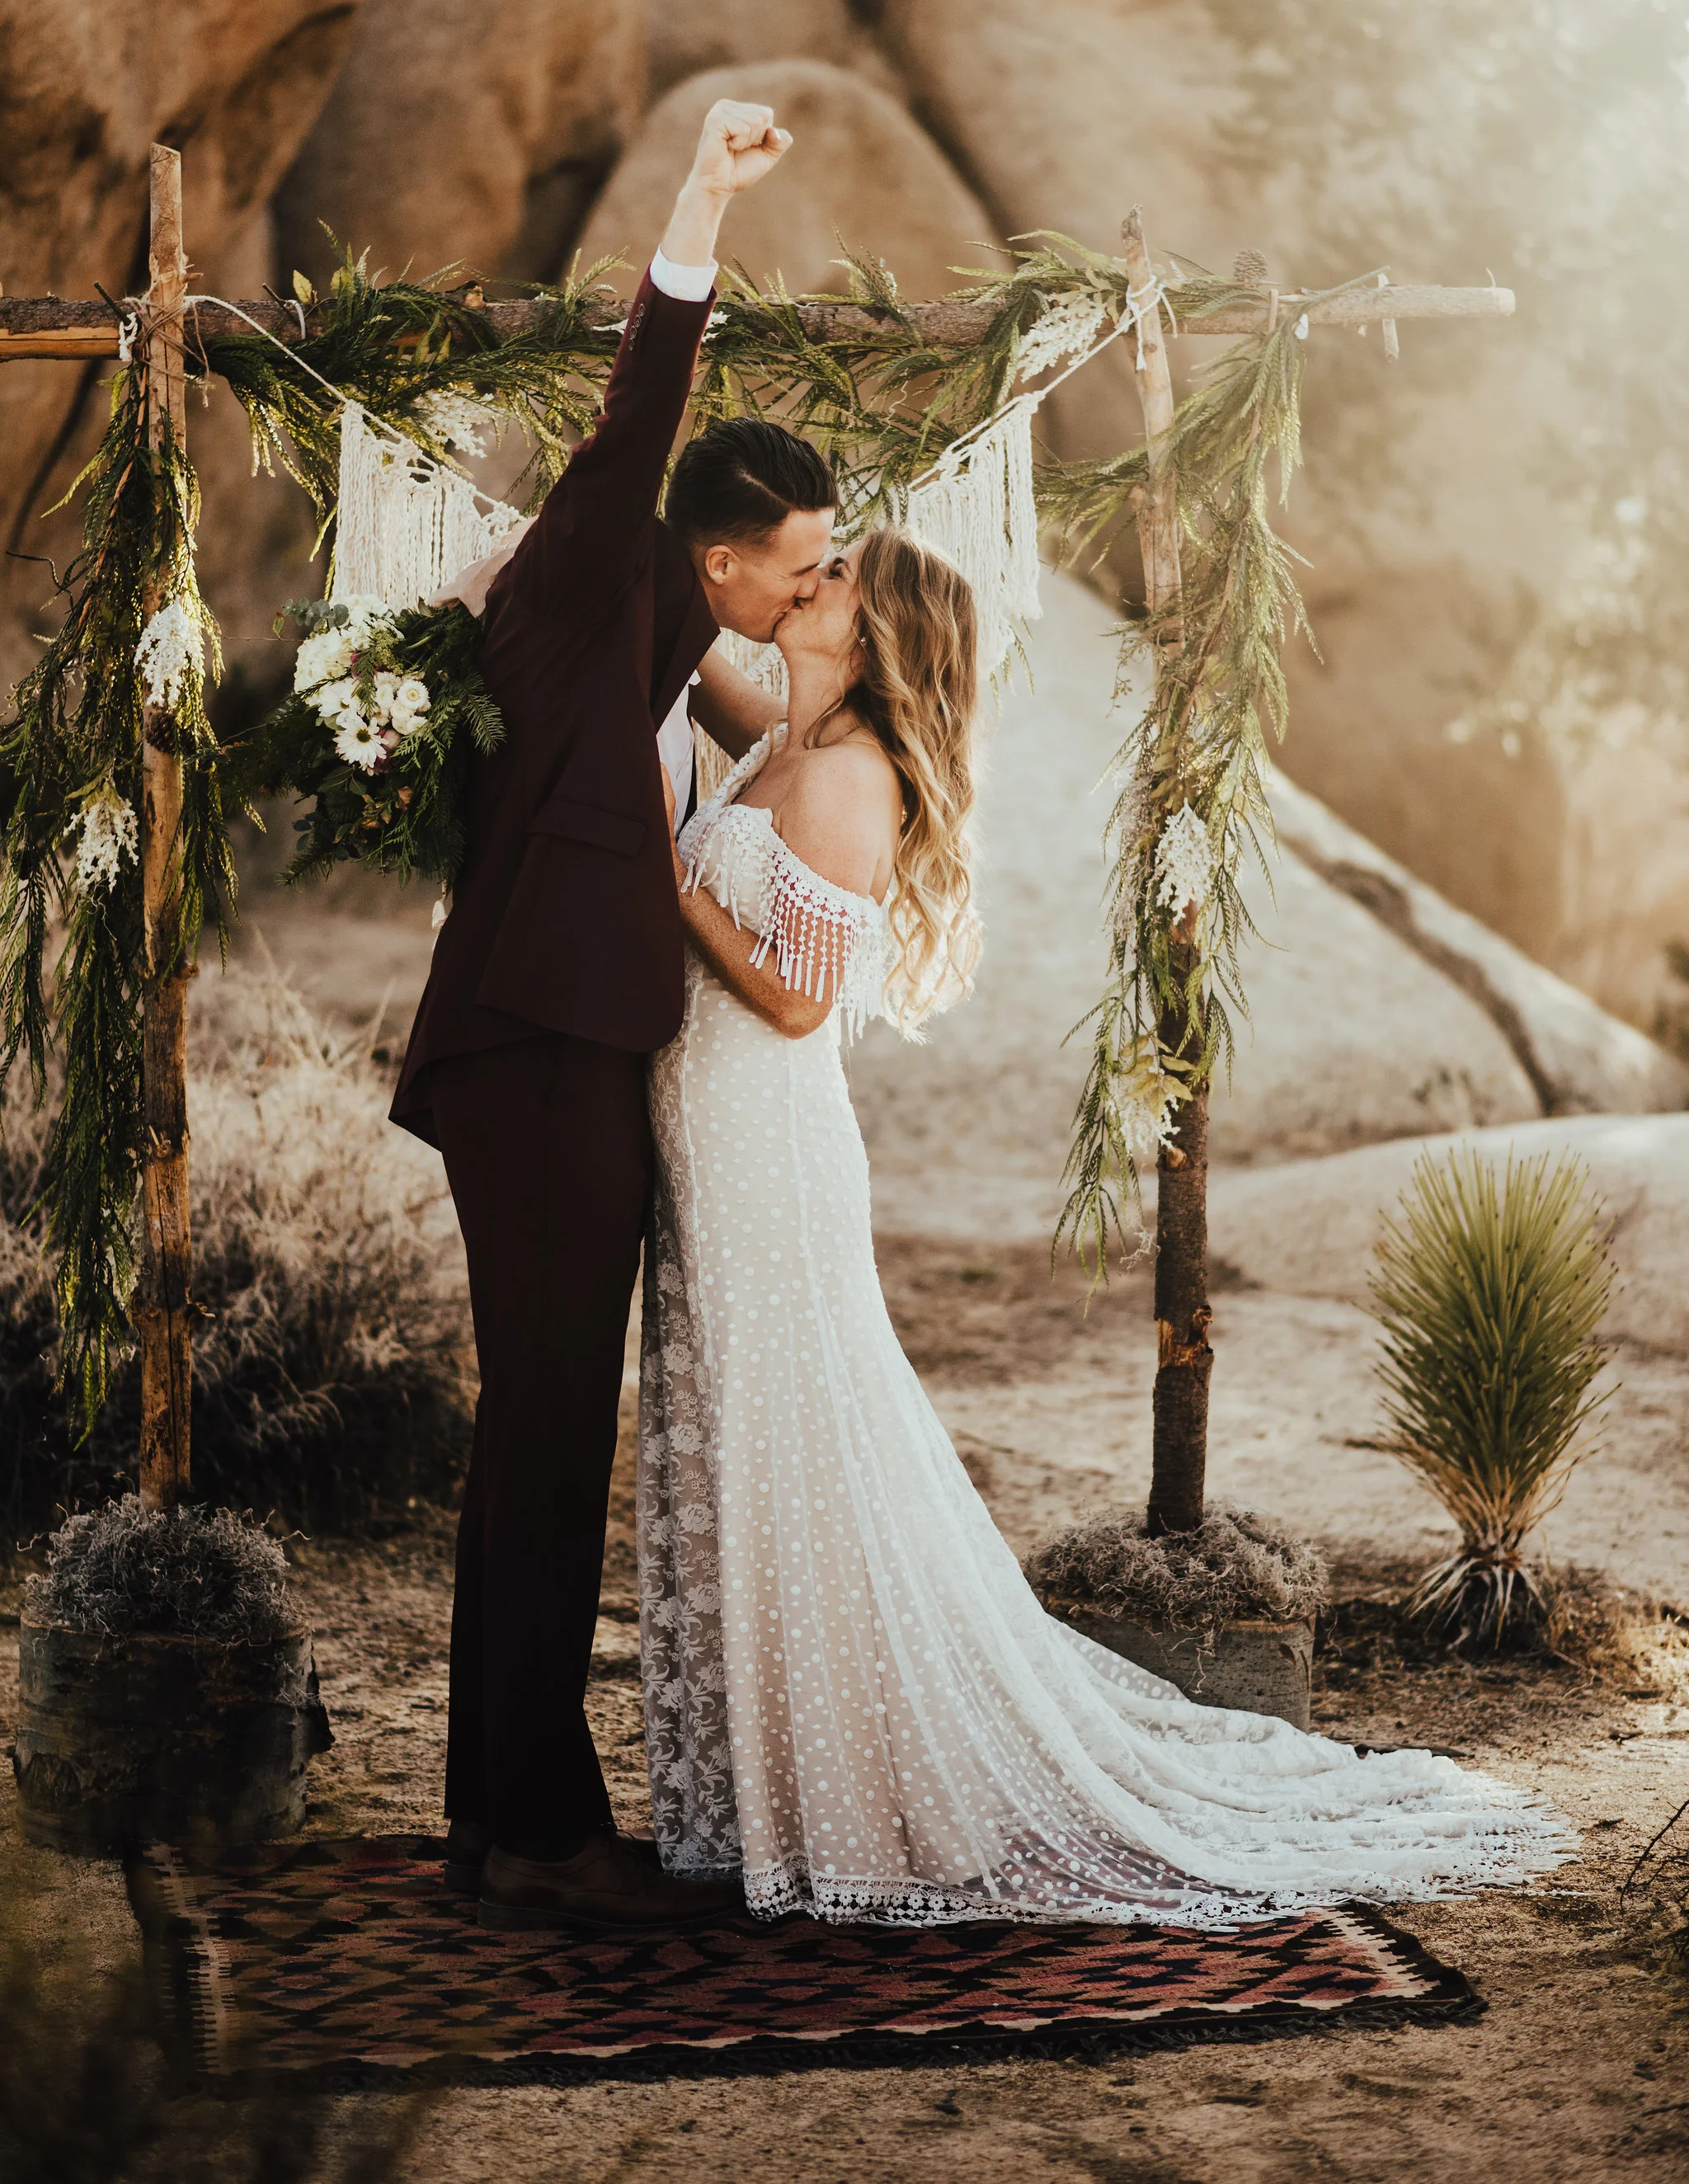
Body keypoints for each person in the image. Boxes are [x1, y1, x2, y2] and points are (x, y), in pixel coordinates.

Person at [639, 525, 1572, 1925]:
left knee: (801, 1448)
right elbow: (674, 667)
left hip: (768, 1150)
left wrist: (668, 882)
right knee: (745, 1440)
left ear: (875, 635)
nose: (801, 584)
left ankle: (859, 1801)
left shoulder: (845, 776)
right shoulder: (787, 729)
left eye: (829, 580)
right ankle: (771, 1784)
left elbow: (794, 999)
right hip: (709, 1143)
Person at [389, 98, 839, 1935]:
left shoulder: (648, 626)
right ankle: (539, 1836)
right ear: (714, 559)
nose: (809, 585)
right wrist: (701, 207)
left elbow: (769, 720)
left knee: (541, 1433)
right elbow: (643, 412)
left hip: (564, 1054)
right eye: (797, 561)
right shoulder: (598, 558)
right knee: (550, 1430)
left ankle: (503, 1814)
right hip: (537, 1053)